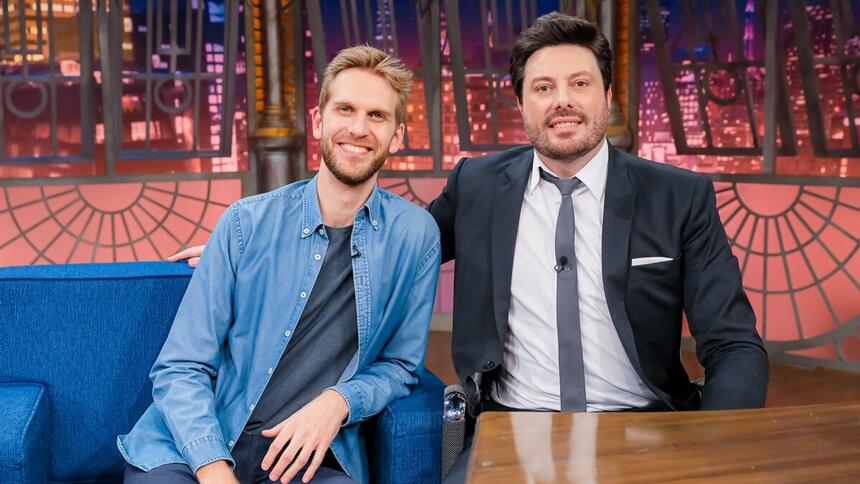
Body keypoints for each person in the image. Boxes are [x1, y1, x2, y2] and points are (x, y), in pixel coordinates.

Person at [173, 12, 768, 480]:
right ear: (522, 104)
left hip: (647, 426)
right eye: (543, 87)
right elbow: (384, 240)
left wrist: (713, 451)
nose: (562, 99)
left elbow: (735, 345)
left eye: (579, 83)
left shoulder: (681, 197)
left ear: (606, 97)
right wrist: (249, 239)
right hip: (514, 429)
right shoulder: (479, 186)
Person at [119, 45, 441, 484]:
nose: (358, 128)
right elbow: (181, 368)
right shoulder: (245, 224)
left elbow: (401, 366)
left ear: (397, 135)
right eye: (345, 109)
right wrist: (213, 468)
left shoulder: (415, 236)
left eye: (377, 116)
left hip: (303, 458)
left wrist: (340, 401)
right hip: (192, 448)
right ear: (318, 120)